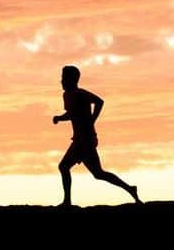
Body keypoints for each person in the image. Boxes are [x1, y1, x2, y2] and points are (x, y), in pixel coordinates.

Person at [52, 64, 141, 206]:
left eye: (63, 78)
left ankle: (67, 202)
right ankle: (130, 189)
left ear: (72, 80)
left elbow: (99, 102)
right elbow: (71, 114)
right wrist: (59, 118)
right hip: (79, 140)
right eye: (61, 78)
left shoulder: (80, 94)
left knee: (64, 166)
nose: (61, 81)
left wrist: (93, 119)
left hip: (85, 140)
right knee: (98, 173)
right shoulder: (66, 95)